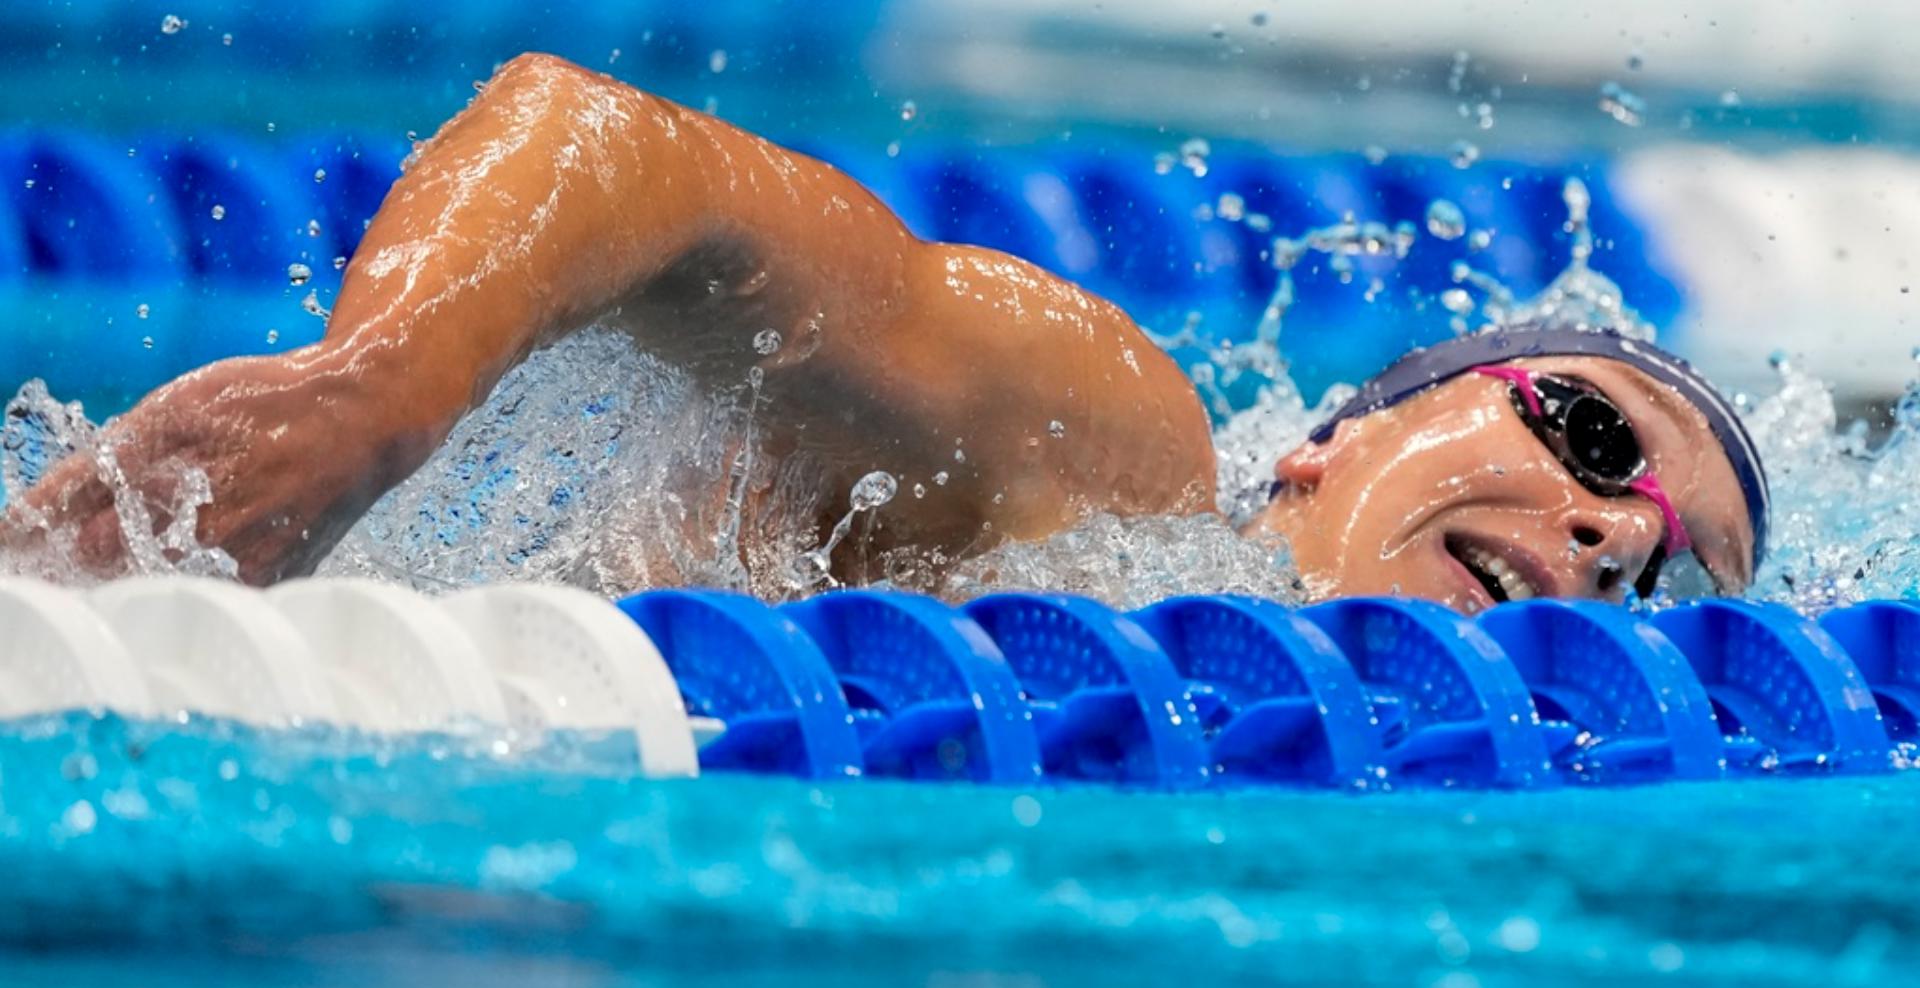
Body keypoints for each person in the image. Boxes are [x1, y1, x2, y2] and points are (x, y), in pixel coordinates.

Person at [5, 52, 1766, 613]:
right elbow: (618, 145)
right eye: (1593, 436)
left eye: (1677, 581)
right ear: (1335, 434)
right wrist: (371, 392)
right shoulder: (1102, 471)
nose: (1617, 531)